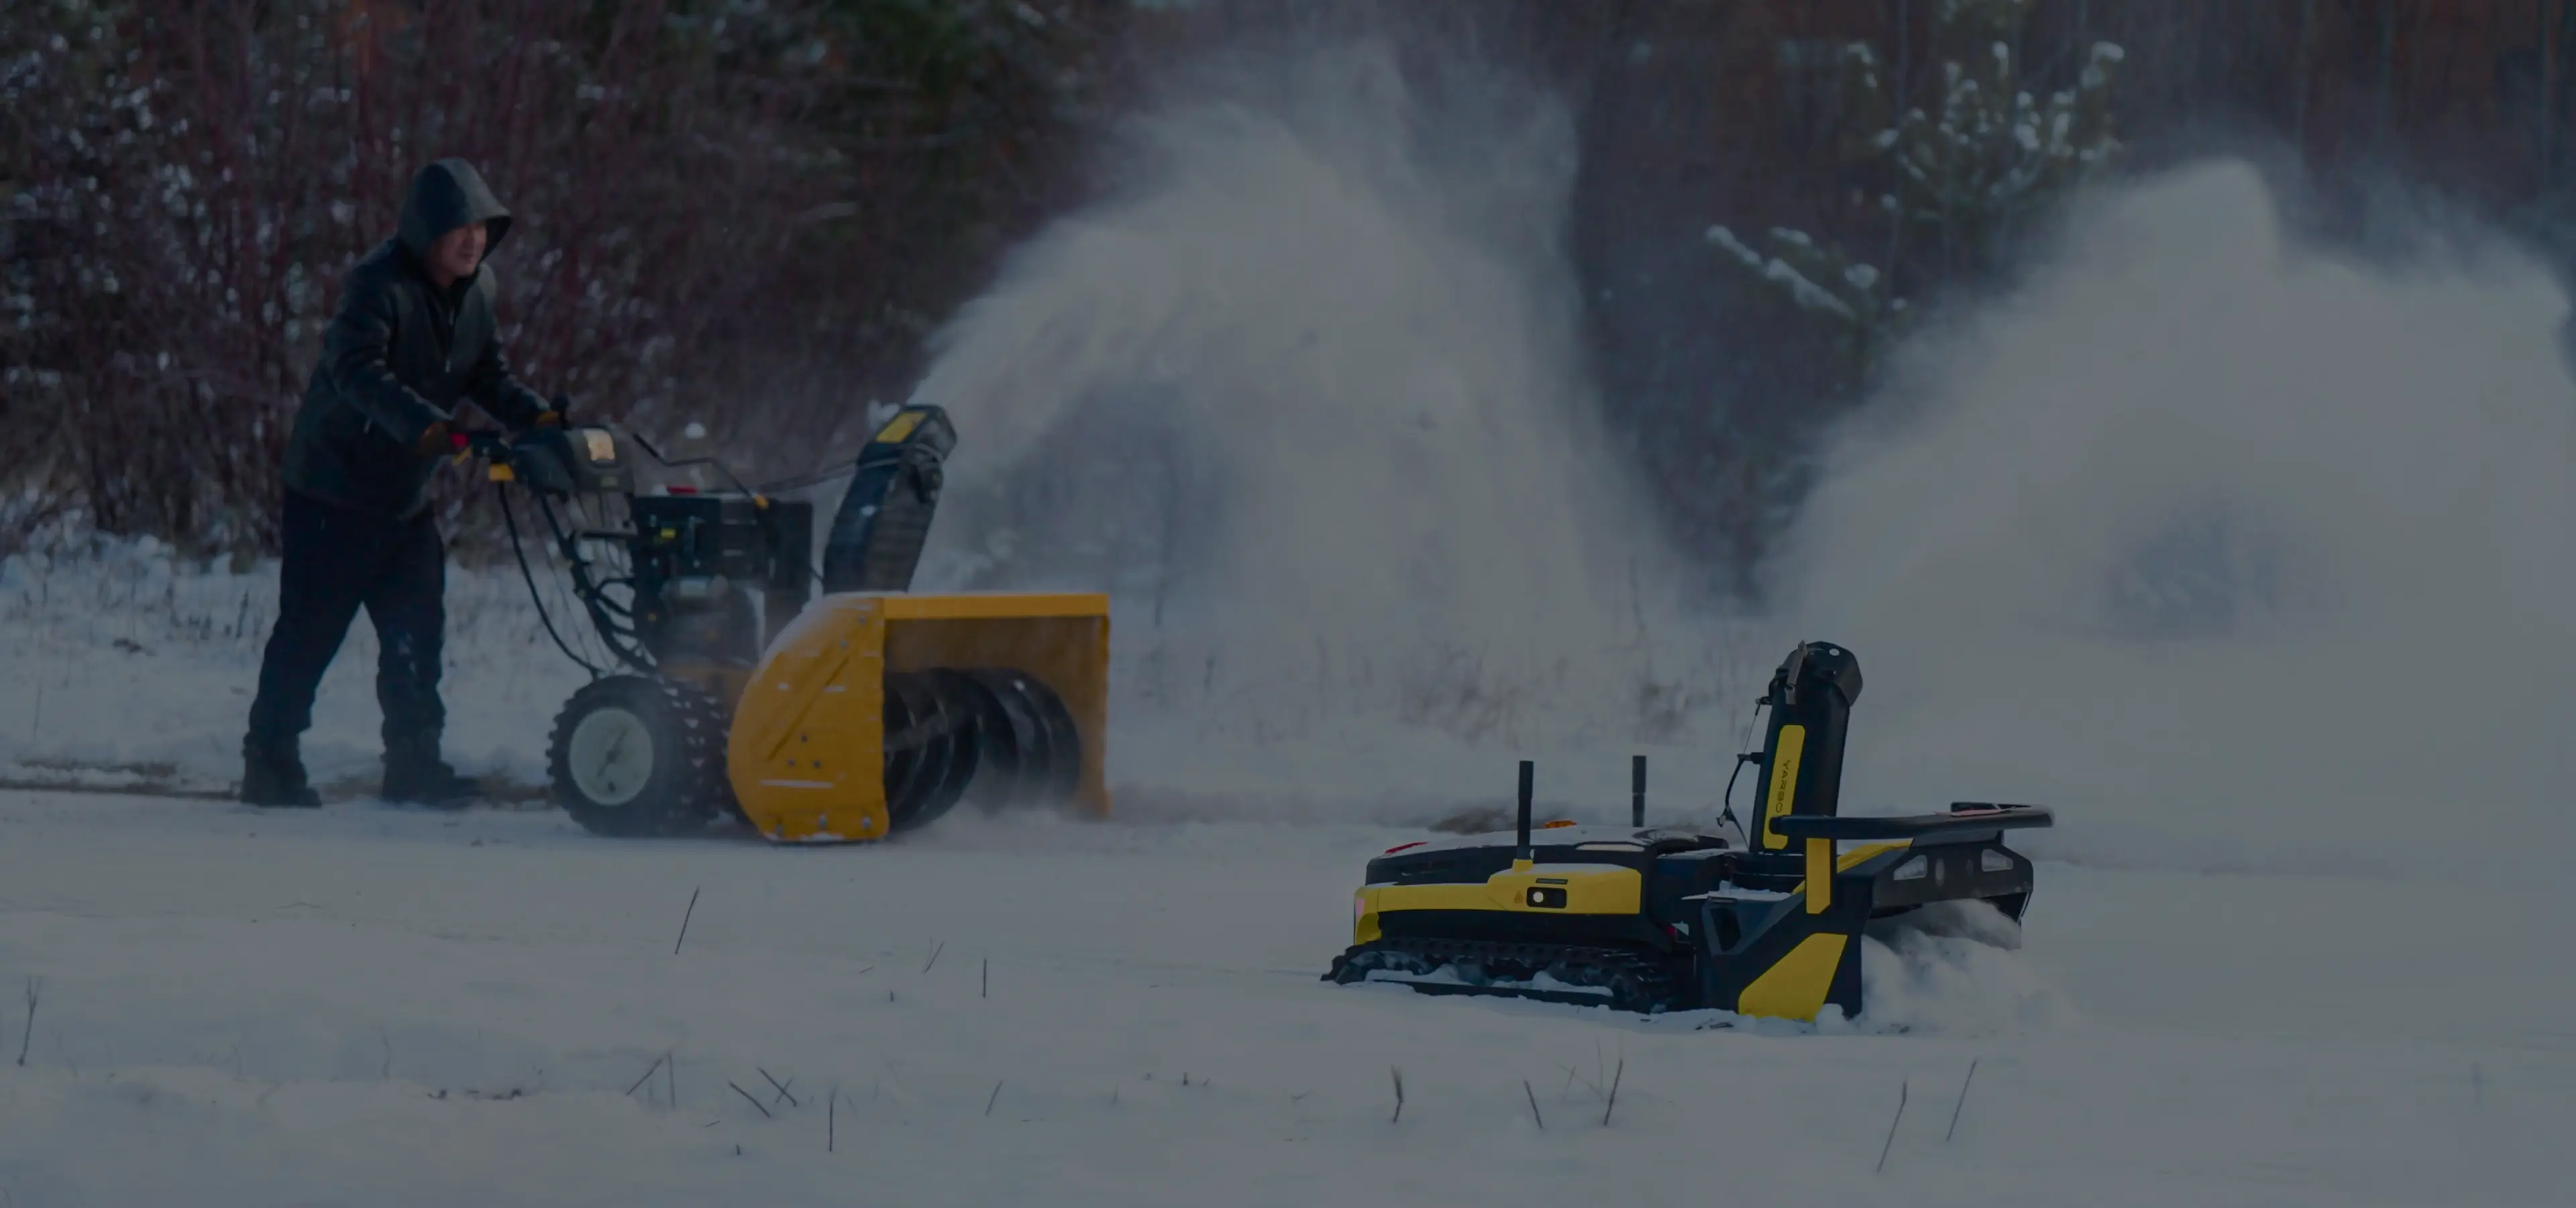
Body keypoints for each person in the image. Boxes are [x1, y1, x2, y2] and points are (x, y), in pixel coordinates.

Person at [240, 158, 561, 809]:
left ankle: (415, 764)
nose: (473, 240)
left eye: (482, 227)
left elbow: (485, 373)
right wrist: (432, 428)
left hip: (403, 499)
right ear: (426, 230)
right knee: (309, 635)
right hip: (333, 493)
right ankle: (269, 762)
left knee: (417, 632)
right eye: (459, 227)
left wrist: (536, 418)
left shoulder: (479, 289)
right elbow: (356, 371)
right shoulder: (376, 285)